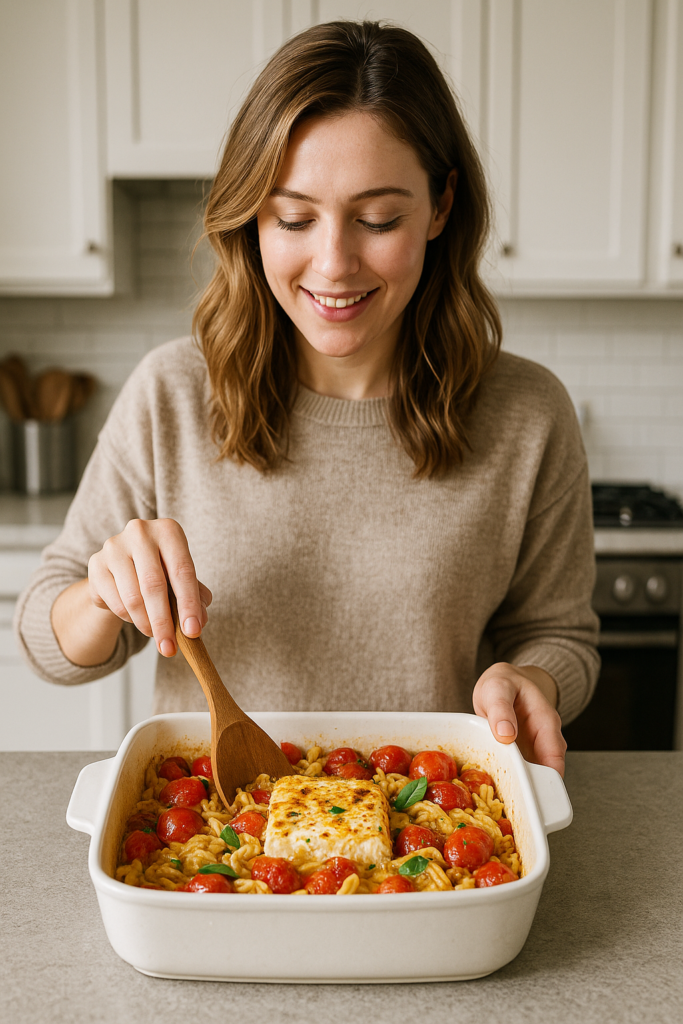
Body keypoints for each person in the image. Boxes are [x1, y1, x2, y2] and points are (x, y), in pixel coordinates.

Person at [15, 20, 599, 776]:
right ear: (251, 215)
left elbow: (561, 634)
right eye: (293, 218)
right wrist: (102, 594)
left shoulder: (527, 411)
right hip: (211, 837)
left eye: (378, 219)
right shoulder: (171, 393)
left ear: (441, 206)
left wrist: (530, 677)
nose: (332, 263)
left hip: (429, 832)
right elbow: (46, 644)